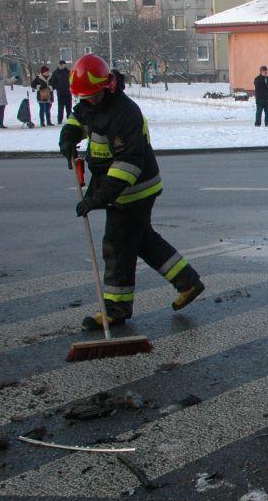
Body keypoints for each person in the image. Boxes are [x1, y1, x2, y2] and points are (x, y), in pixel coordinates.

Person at [58, 53, 205, 330]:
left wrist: (96, 199)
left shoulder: (125, 114)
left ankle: (115, 310)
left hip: (134, 190)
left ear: (107, 86)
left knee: (117, 248)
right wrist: (67, 138)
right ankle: (188, 282)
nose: (87, 101)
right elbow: (78, 120)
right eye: (83, 97)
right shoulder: (91, 103)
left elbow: (127, 166)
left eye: (91, 96)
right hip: (118, 189)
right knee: (143, 242)